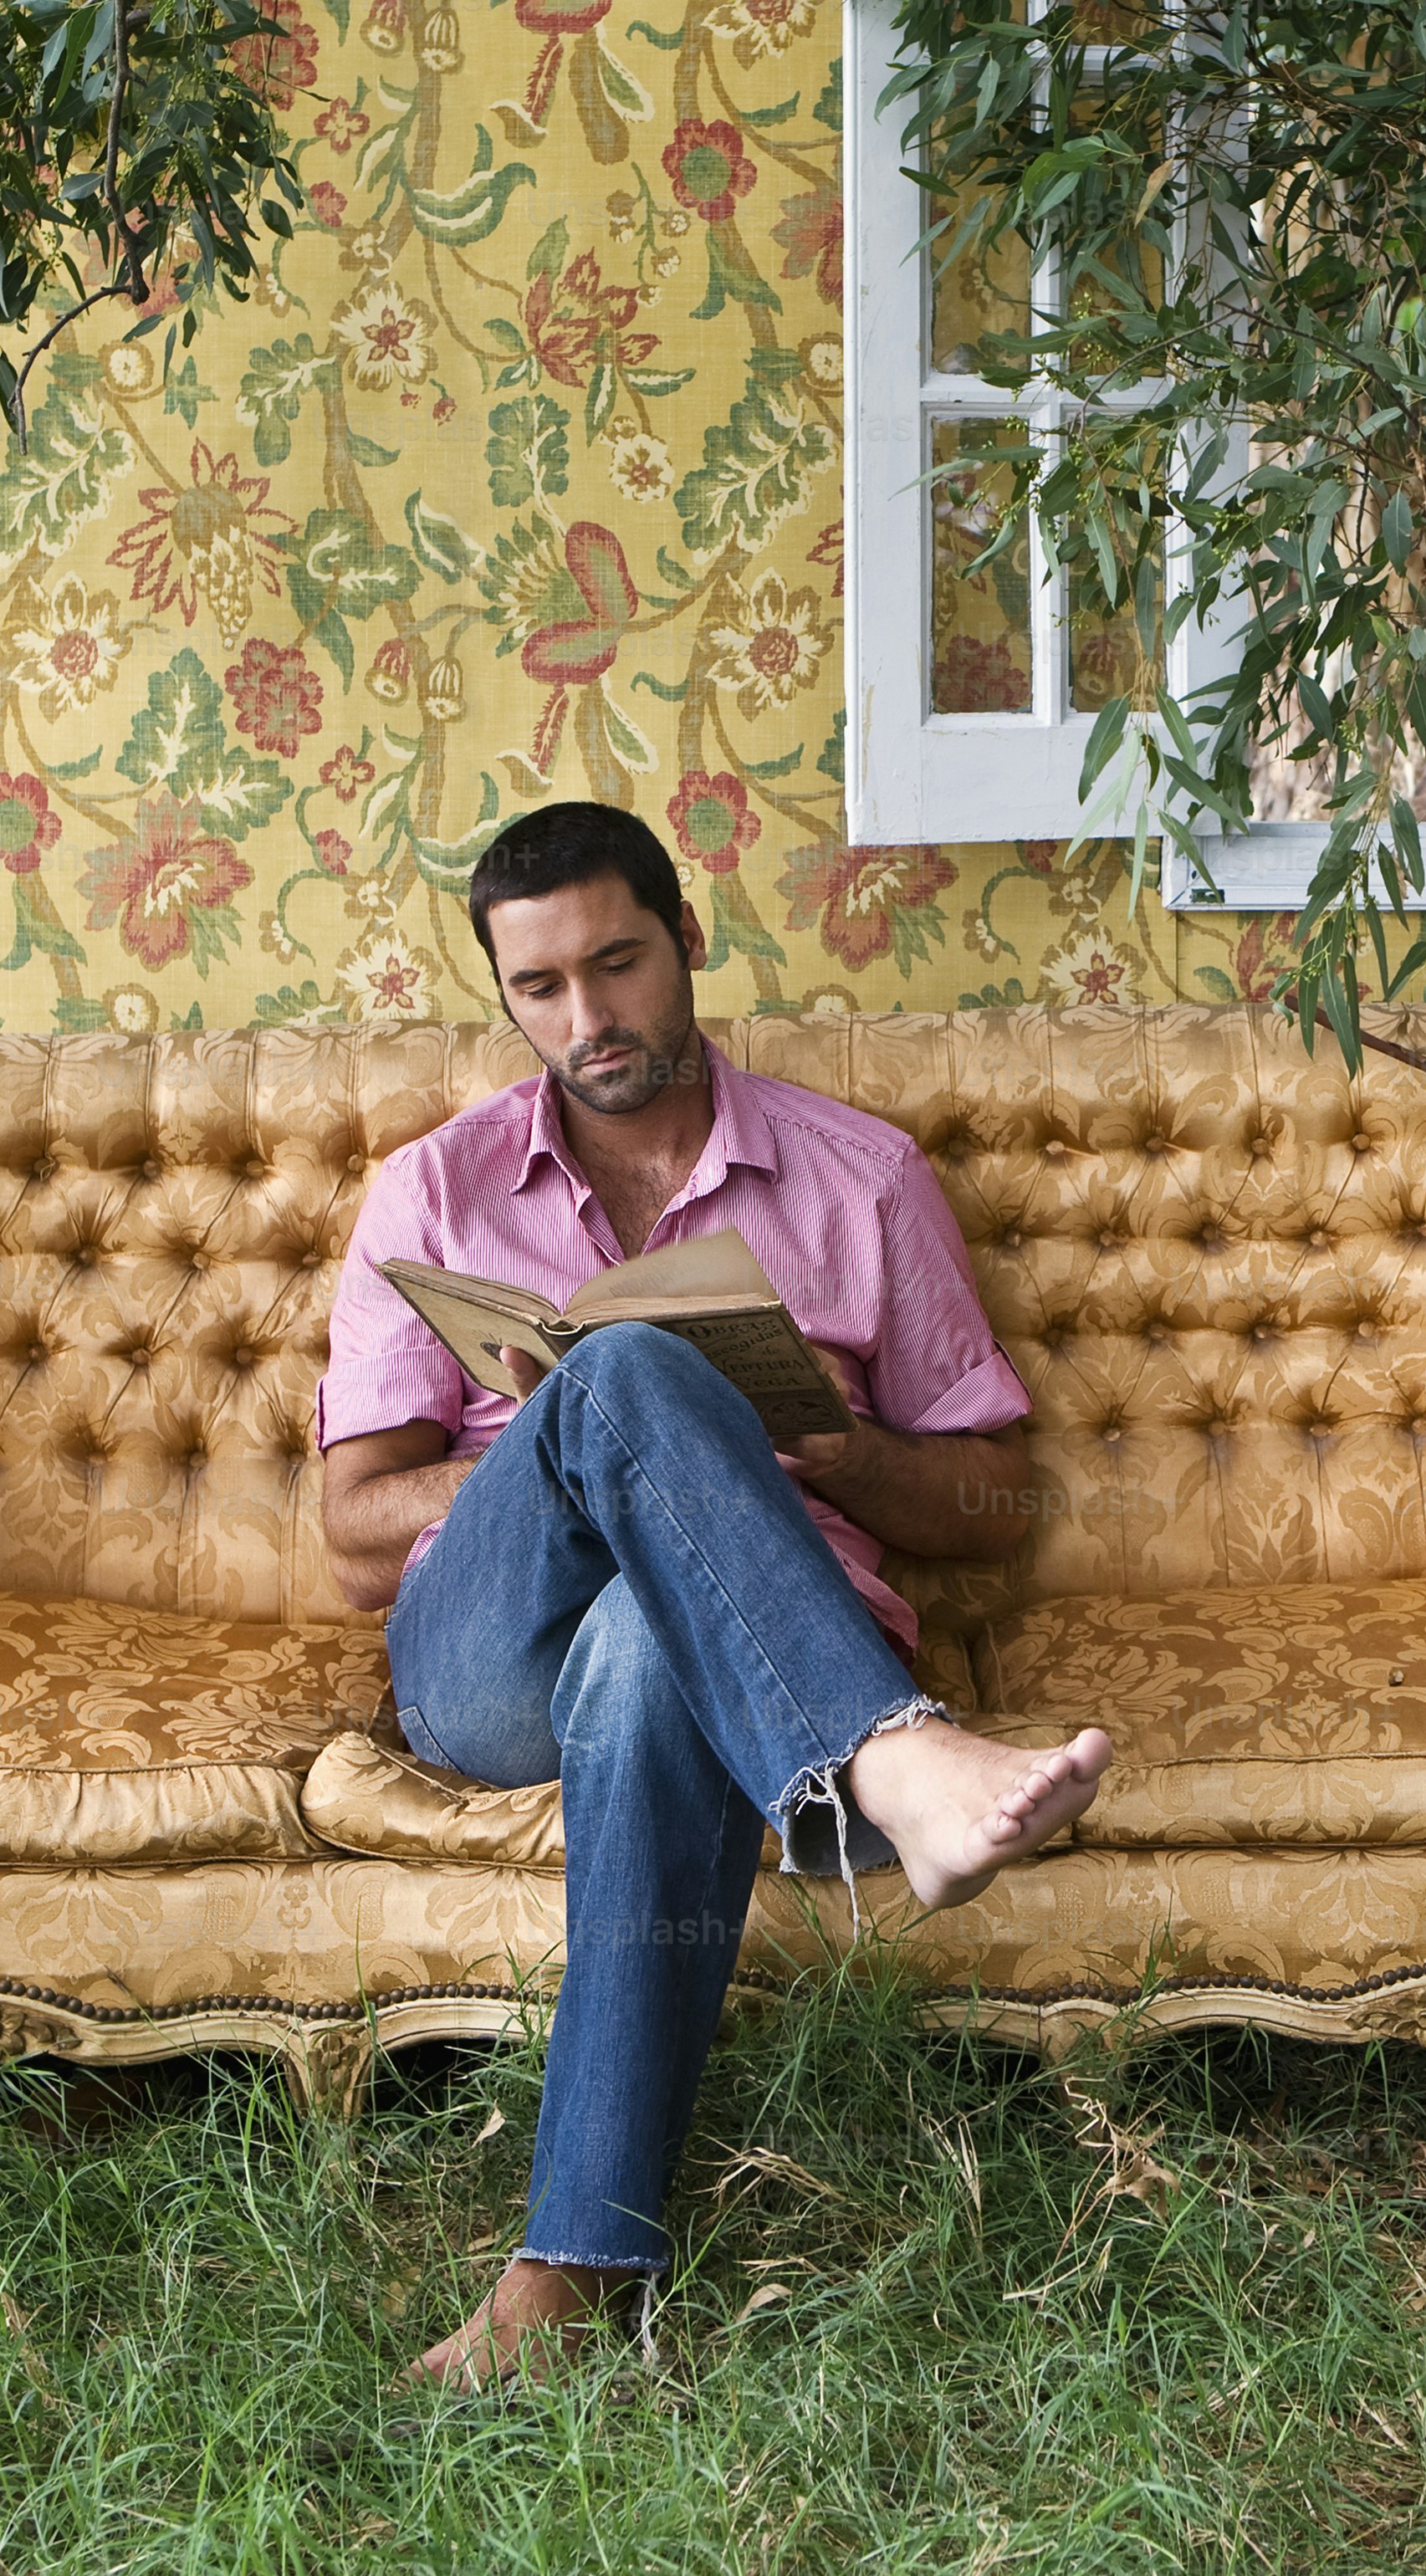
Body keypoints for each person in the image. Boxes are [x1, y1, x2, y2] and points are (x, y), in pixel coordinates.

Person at [317, 800, 1113, 2388]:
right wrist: (584, 1450)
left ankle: (569, 2274)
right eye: (540, 987)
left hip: (715, 1657)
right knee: (619, 1383)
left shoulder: (860, 1177)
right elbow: (350, 1527)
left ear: (689, 939)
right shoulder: (434, 1190)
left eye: (616, 964)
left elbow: (993, 1502)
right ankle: (892, 1758)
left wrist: (830, 1446)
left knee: (646, 1641)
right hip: (492, 1660)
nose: (588, 1019)